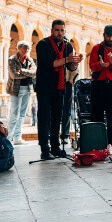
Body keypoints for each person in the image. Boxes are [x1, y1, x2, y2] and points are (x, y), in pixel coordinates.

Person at [36, 20, 83, 159]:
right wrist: (67, 60)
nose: (60, 33)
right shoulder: (43, 44)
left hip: (59, 86)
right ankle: (44, 149)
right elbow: (51, 63)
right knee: (44, 118)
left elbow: (70, 68)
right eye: (57, 30)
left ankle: (55, 147)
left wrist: (74, 63)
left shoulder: (67, 45)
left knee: (57, 117)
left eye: (62, 30)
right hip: (45, 86)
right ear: (52, 31)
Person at [89, 25, 112, 144]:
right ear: (104, 35)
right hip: (98, 85)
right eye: (108, 36)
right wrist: (101, 65)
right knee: (97, 114)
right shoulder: (95, 48)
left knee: (111, 115)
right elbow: (92, 66)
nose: (110, 39)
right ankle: (97, 142)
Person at [6, 41, 36, 144]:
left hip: (27, 89)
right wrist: (28, 73)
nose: (26, 51)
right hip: (16, 90)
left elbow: (34, 73)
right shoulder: (12, 60)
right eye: (24, 49)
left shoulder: (30, 60)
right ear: (18, 49)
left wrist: (22, 71)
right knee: (14, 115)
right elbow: (14, 75)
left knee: (22, 114)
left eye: (27, 49)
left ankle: (18, 138)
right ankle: (8, 139)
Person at [60, 60, 79, 144]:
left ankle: (65, 135)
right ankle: (52, 135)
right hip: (56, 83)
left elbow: (75, 71)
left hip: (67, 84)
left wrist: (74, 66)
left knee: (67, 111)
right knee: (54, 111)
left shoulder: (69, 50)